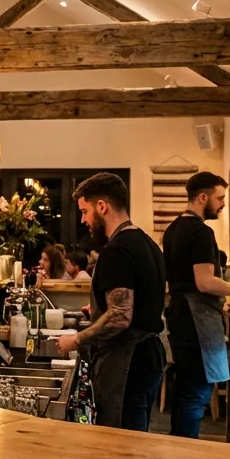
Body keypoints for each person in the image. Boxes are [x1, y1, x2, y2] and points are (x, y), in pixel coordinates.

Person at [54, 173, 166, 433]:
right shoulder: (146, 242)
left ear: (102, 206)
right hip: (148, 354)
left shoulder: (117, 249)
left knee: (121, 444)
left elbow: (120, 316)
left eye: (84, 211)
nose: (83, 220)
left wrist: (77, 339)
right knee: (136, 437)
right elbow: (136, 304)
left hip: (127, 361)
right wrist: (97, 311)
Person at [163, 172, 230, 439]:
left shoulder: (174, 229)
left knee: (186, 386)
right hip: (195, 320)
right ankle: (187, 451)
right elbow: (205, 282)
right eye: (219, 198)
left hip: (179, 316)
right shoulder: (200, 232)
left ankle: (180, 445)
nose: (222, 204)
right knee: (197, 391)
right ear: (202, 197)